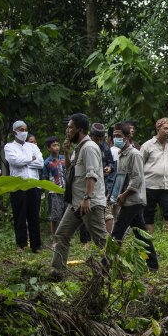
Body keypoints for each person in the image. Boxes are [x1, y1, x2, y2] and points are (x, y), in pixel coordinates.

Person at [50, 113, 109, 279]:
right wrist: (67, 152)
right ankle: (57, 272)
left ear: (80, 129)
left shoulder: (89, 148)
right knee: (61, 234)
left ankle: (117, 271)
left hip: (89, 203)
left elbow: (92, 175)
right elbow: (70, 169)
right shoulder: (80, 147)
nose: (67, 130)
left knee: (101, 241)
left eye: (70, 127)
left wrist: (87, 198)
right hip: (76, 202)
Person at [111, 123, 159, 271]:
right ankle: (153, 265)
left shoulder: (134, 154)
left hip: (133, 200)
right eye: (114, 136)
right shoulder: (120, 155)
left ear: (127, 137)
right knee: (140, 234)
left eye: (119, 136)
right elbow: (121, 179)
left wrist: (124, 195)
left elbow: (137, 179)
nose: (116, 139)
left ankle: (107, 265)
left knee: (117, 232)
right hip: (127, 200)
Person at [4, 120, 44, 252]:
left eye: (25, 129)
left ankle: (36, 245)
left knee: (34, 216)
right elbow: (15, 161)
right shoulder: (9, 147)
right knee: (19, 215)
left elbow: (41, 163)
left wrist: (26, 161)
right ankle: (21, 244)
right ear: (15, 131)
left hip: (33, 184)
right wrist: (30, 159)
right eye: (21, 129)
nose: (24, 132)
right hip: (18, 186)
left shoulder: (32, 146)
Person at [91, 123, 117, 233]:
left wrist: (109, 168)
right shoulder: (85, 147)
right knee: (87, 211)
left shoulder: (105, 146)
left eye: (100, 139)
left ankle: (109, 238)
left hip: (103, 184)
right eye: (96, 139)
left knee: (106, 211)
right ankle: (85, 241)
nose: (98, 141)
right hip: (88, 185)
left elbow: (111, 163)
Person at [41, 137, 67, 247]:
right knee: (55, 216)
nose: (56, 147)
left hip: (66, 190)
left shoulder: (64, 159)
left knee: (66, 214)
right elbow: (45, 177)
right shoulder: (47, 162)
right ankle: (54, 238)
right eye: (53, 145)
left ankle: (64, 237)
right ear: (48, 148)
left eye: (57, 145)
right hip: (54, 192)